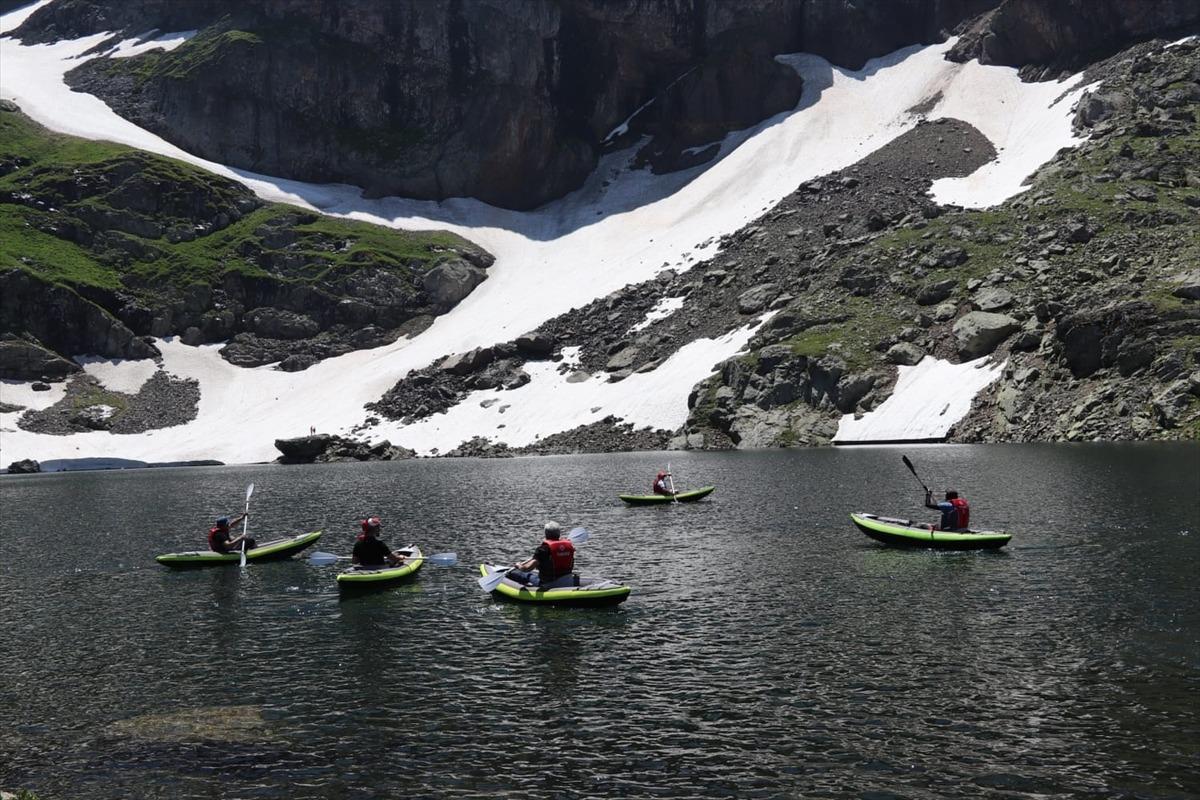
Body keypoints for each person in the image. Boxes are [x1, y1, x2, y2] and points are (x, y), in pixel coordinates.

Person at [508, 521, 578, 589]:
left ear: (546, 534)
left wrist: (519, 565)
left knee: (522, 574)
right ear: (559, 533)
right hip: (568, 582)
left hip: (549, 584)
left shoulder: (543, 550)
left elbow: (527, 569)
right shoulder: (570, 547)